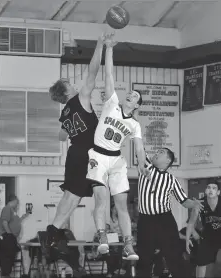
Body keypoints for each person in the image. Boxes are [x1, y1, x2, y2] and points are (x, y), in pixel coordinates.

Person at [39, 34, 106, 276]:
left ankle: (53, 231)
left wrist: (70, 127)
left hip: (74, 153)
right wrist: (99, 44)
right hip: (90, 153)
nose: (74, 82)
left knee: (71, 195)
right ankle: (103, 232)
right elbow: (93, 70)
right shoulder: (80, 99)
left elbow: (60, 137)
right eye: (69, 82)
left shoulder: (65, 112)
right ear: (67, 90)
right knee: (96, 193)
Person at [86, 33, 149, 260]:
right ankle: (102, 235)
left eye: (134, 97)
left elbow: (139, 148)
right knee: (101, 199)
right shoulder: (112, 102)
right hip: (98, 155)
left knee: (122, 204)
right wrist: (109, 48)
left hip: (116, 159)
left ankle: (128, 245)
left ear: (137, 106)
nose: (130, 96)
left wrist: (142, 163)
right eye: (129, 94)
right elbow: (109, 73)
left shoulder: (134, 124)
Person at [136, 148, 204, 278]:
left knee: (173, 256)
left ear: (168, 160)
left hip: (164, 220)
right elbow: (139, 150)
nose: (156, 152)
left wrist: (194, 204)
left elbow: (184, 201)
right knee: (144, 258)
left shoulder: (171, 179)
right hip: (145, 220)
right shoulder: (145, 166)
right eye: (157, 151)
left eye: (161, 152)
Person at [186, 183, 221, 278]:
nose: (211, 190)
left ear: (218, 192)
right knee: (201, 262)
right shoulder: (199, 204)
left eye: (214, 188)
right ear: (205, 190)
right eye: (208, 187)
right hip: (209, 236)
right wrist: (187, 239)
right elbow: (191, 223)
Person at [0, 195, 29, 278]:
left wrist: (23, 217)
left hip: (11, 238)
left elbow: (15, 222)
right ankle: (5, 275)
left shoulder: (12, 211)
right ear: (13, 201)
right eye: (17, 202)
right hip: (7, 237)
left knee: (10, 259)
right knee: (7, 259)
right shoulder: (7, 208)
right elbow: (5, 223)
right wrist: (10, 235)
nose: (17, 204)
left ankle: (7, 274)